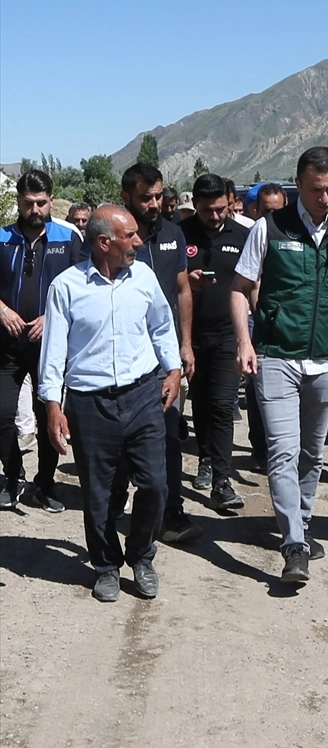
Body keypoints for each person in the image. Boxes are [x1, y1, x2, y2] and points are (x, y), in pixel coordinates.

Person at [231, 147, 328, 584]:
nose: (326, 198)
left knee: (313, 453)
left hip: (327, 359)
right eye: (316, 190)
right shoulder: (269, 227)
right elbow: (239, 288)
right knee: (283, 451)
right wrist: (245, 342)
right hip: (276, 355)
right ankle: (293, 544)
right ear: (299, 184)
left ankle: (303, 524)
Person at [38, 205, 181, 602]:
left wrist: (173, 370)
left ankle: (141, 555)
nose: (138, 241)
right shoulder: (66, 287)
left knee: (154, 483)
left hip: (143, 394)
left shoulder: (144, 277)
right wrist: (53, 407)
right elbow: (53, 352)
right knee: (98, 493)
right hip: (90, 403)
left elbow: (162, 325)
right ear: (104, 242)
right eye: (129, 235)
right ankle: (105, 566)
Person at [120, 162, 199, 543]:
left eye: (157, 196)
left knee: (168, 434)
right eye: (145, 198)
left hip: (165, 357)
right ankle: (116, 505)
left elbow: (183, 290)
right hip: (124, 356)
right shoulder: (111, 235)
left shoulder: (173, 233)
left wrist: (185, 344)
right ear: (126, 197)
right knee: (122, 437)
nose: (154, 204)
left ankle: (171, 513)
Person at [0, 170, 82, 510]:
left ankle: (45, 485)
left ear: (51, 199)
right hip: (7, 346)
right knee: (2, 414)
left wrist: (52, 317)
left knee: (48, 415)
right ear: (19, 201)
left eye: (41, 203)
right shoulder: (2, 237)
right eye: (28, 203)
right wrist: (2, 310)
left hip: (50, 347)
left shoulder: (69, 238)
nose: (35, 209)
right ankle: (13, 474)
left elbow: (83, 287)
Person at [180, 173, 251, 509]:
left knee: (223, 405)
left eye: (222, 208)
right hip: (189, 335)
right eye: (208, 210)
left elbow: (253, 284)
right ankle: (205, 458)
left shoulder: (244, 235)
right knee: (201, 402)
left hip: (227, 334)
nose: (215, 215)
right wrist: (188, 283)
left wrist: (250, 336)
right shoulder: (179, 235)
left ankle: (222, 481)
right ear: (195, 204)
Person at [241, 182, 287, 470]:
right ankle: (260, 448)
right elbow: (251, 283)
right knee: (257, 386)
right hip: (257, 320)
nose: (272, 216)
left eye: (277, 210)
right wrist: (262, 318)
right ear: (256, 209)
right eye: (267, 211)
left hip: (287, 324)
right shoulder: (251, 235)